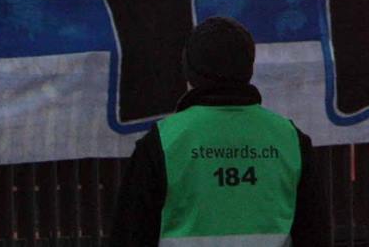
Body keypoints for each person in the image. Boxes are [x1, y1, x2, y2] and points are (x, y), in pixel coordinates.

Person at [107, 16, 326, 247]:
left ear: (188, 70)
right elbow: (315, 234)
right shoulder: (290, 141)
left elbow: (130, 235)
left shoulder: (161, 143)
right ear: (249, 68)